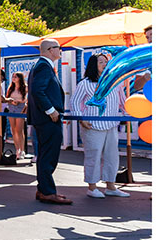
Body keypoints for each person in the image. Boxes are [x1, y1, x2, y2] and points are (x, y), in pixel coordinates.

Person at [71, 53, 130, 199]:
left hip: (111, 124)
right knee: (93, 156)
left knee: (112, 156)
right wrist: (81, 119)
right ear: (93, 65)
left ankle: (111, 186)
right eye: (101, 62)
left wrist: (128, 113)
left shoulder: (114, 82)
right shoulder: (85, 83)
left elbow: (123, 101)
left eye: (106, 62)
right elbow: (74, 102)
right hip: (92, 125)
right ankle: (92, 187)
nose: (104, 64)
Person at [28, 39, 72, 204]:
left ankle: (44, 189)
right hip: (47, 119)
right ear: (50, 50)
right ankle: (47, 191)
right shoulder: (43, 66)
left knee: (45, 155)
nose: (60, 51)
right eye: (59, 48)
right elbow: (37, 91)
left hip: (43, 118)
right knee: (49, 156)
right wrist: (51, 110)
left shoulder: (41, 65)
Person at [5, 72, 29, 159]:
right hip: (11, 108)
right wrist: (10, 101)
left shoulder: (25, 87)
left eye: (16, 76)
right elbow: (7, 98)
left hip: (20, 109)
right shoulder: (10, 88)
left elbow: (27, 99)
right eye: (13, 76)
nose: (14, 78)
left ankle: (22, 150)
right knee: (13, 130)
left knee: (19, 130)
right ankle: (17, 149)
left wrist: (21, 103)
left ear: (20, 78)